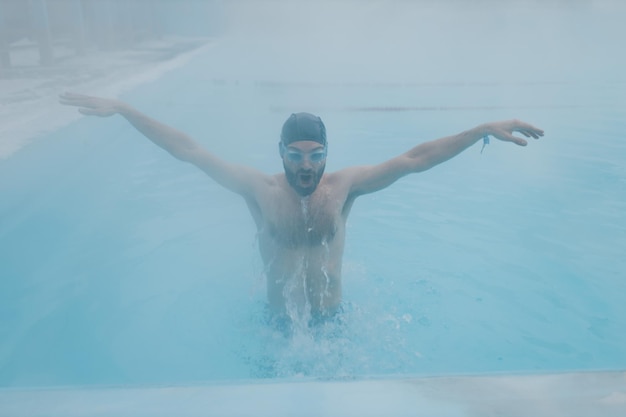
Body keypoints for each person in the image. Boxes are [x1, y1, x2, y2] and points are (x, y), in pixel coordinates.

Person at [59, 92, 544, 323]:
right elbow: (188, 150)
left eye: (315, 155)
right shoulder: (260, 190)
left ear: (327, 154)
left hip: (335, 325)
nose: (306, 166)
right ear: (281, 154)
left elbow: (415, 159)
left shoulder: (345, 186)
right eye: (296, 155)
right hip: (275, 328)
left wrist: (481, 128)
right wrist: (125, 110)